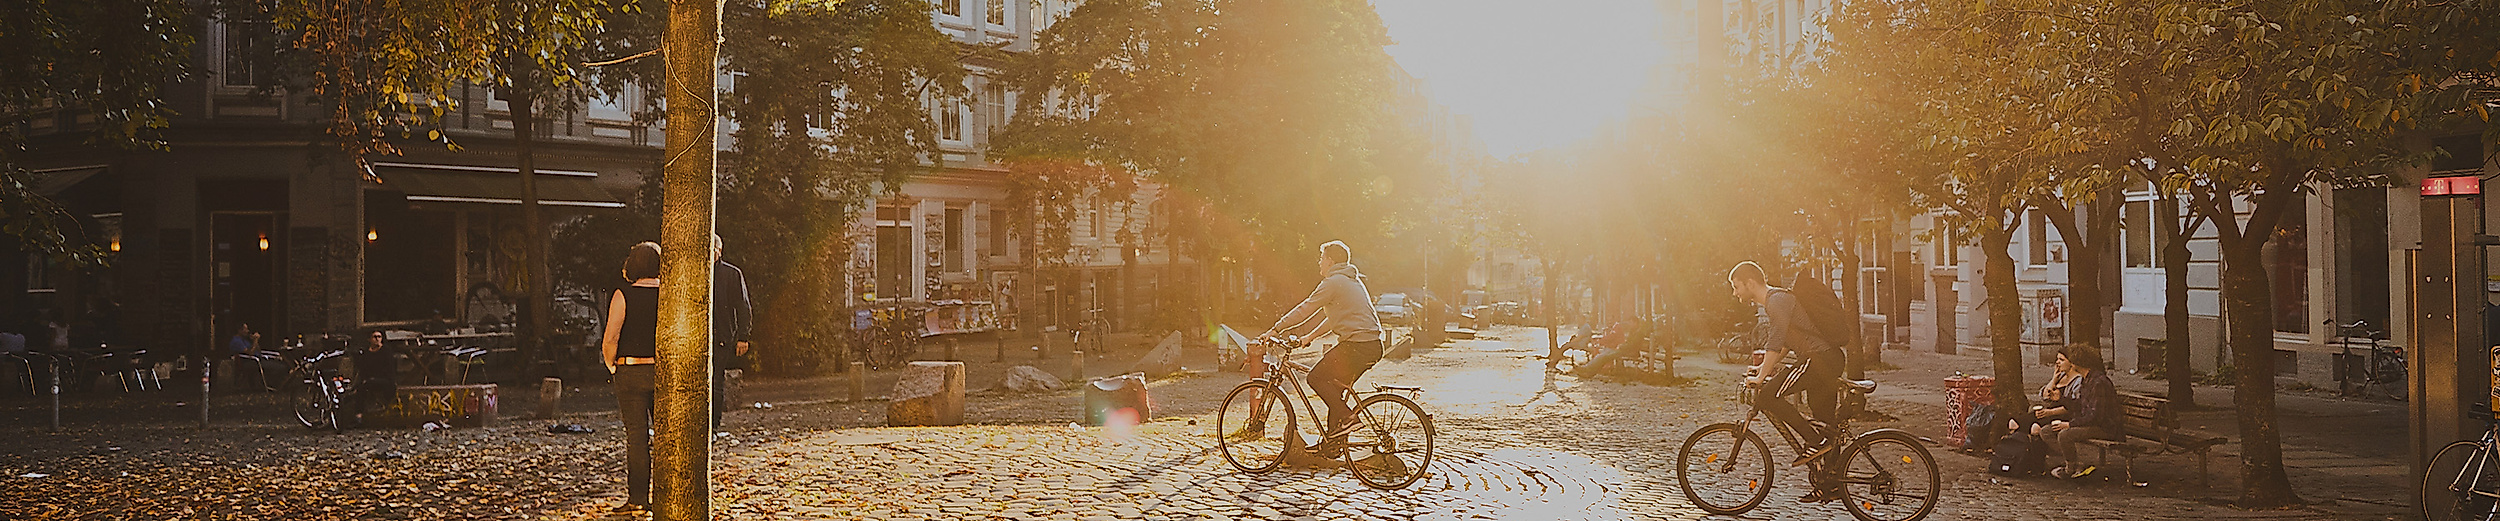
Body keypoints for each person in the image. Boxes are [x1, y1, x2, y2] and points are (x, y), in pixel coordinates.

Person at [1729, 260, 1848, 502]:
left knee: (1768, 395)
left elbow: (1775, 340)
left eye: (1736, 286)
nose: (1735, 292)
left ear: (1750, 283)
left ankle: (1814, 440)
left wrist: (1762, 378)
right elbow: (1785, 344)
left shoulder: (1776, 301)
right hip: (1826, 360)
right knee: (1827, 424)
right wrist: (1761, 369)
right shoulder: (1777, 301)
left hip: (1819, 359)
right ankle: (1831, 484)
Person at [1259, 240, 1386, 448]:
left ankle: (1349, 419)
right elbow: (1335, 318)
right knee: (1334, 389)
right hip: (1371, 345)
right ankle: (1333, 444)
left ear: (1330, 260)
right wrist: (1309, 337)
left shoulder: (1333, 282)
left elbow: (1305, 309)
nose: (1319, 262)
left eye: (1321, 258)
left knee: (1316, 378)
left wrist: (1276, 328)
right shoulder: (1351, 280)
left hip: (1357, 346)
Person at [601, 241, 663, 512]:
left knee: (636, 437)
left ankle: (638, 498)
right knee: (665, 436)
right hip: (662, 372)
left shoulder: (622, 294)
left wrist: (612, 365)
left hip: (630, 369)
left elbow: (611, 336)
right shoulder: (669, 294)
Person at [2036, 345, 2119, 479]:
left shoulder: (2098, 382)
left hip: (2105, 427)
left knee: (2065, 434)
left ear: (2076, 363)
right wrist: (2062, 399)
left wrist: (2070, 425)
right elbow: (2080, 405)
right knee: (2046, 431)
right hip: (2092, 422)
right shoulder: (2087, 380)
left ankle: (2070, 469)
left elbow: (2096, 416)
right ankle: (2077, 463)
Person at [710, 234, 753, 430]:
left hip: (721, 335)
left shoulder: (731, 274)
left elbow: (742, 306)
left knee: (715, 381)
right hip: (708, 333)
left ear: (719, 251)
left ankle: (713, 425)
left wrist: (743, 336)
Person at [351, 330, 401, 425]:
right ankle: (358, 416)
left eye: (379, 337)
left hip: (385, 380)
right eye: (375, 337)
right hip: (370, 379)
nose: (377, 339)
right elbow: (363, 368)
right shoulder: (366, 353)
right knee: (360, 388)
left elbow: (390, 368)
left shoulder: (386, 351)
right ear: (369, 339)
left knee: (366, 385)